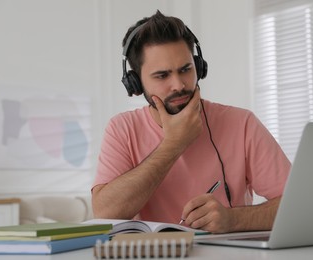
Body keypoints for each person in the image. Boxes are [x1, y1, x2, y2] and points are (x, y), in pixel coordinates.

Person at [91, 10, 291, 234]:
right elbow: (105, 213)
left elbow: (298, 206)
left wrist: (234, 219)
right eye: (162, 76)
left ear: (199, 67)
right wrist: (174, 143)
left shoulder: (242, 123)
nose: (178, 84)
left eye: (186, 69)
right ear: (135, 83)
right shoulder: (122, 129)